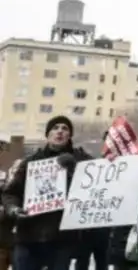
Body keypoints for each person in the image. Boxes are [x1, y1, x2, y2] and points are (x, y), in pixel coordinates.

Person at [2, 116, 92, 270]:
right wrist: (13, 209)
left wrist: (74, 169)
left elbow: (95, 185)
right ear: (48, 134)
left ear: (70, 136)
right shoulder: (30, 162)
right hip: (29, 235)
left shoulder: (81, 161)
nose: (60, 131)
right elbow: (11, 193)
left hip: (62, 239)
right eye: (55, 128)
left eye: (65, 128)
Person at [0, 159, 23, 270]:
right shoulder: (2, 190)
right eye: (14, 171)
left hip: (21, 241)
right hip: (3, 241)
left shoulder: (25, 191)